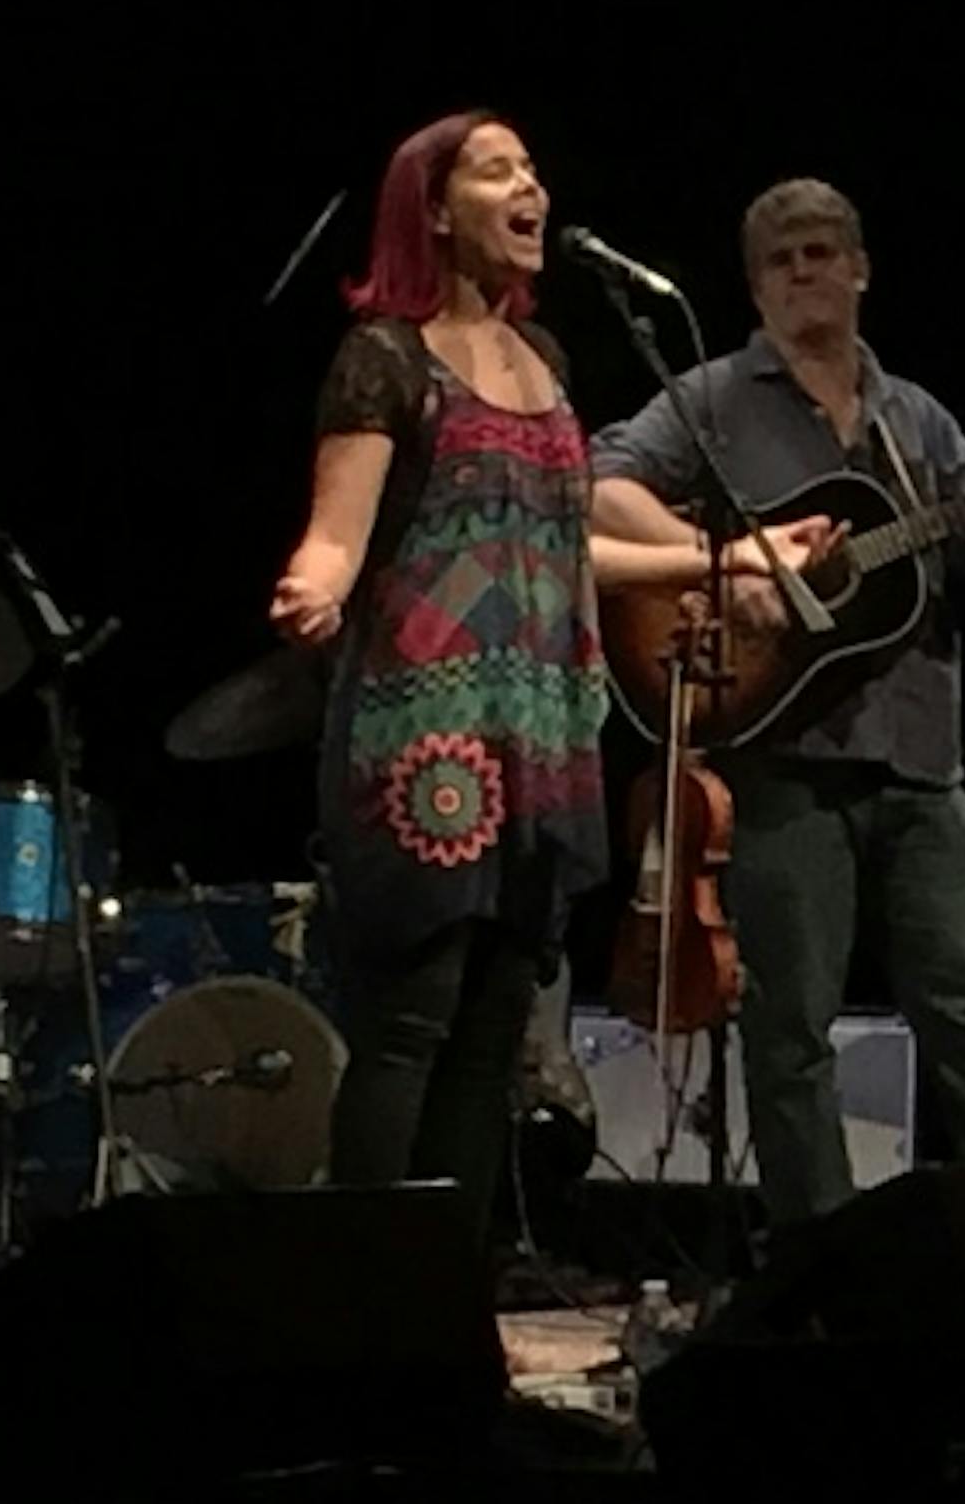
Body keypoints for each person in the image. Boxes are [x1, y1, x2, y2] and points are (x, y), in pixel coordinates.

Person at [270, 112, 828, 1249]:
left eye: (532, 170)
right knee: (412, 1027)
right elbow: (341, 528)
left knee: (491, 1048)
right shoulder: (386, 354)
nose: (532, 187)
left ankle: (443, 1312)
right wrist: (313, 583)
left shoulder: (550, 363)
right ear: (433, 208)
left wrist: (724, 557)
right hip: (428, 747)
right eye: (497, 171)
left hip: (542, 739)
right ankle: (353, 1296)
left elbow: (563, 542)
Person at [588, 177, 965, 1227]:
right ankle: (818, 1265)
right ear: (754, 287)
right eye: (782, 259)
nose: (804, 271)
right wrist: (724, 560)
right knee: (789, 1033)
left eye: (821, 251)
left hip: (921, 759)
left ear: (861, 268)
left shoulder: (913, 416)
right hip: (781, 759)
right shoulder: (711, 398)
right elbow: (603, 481)